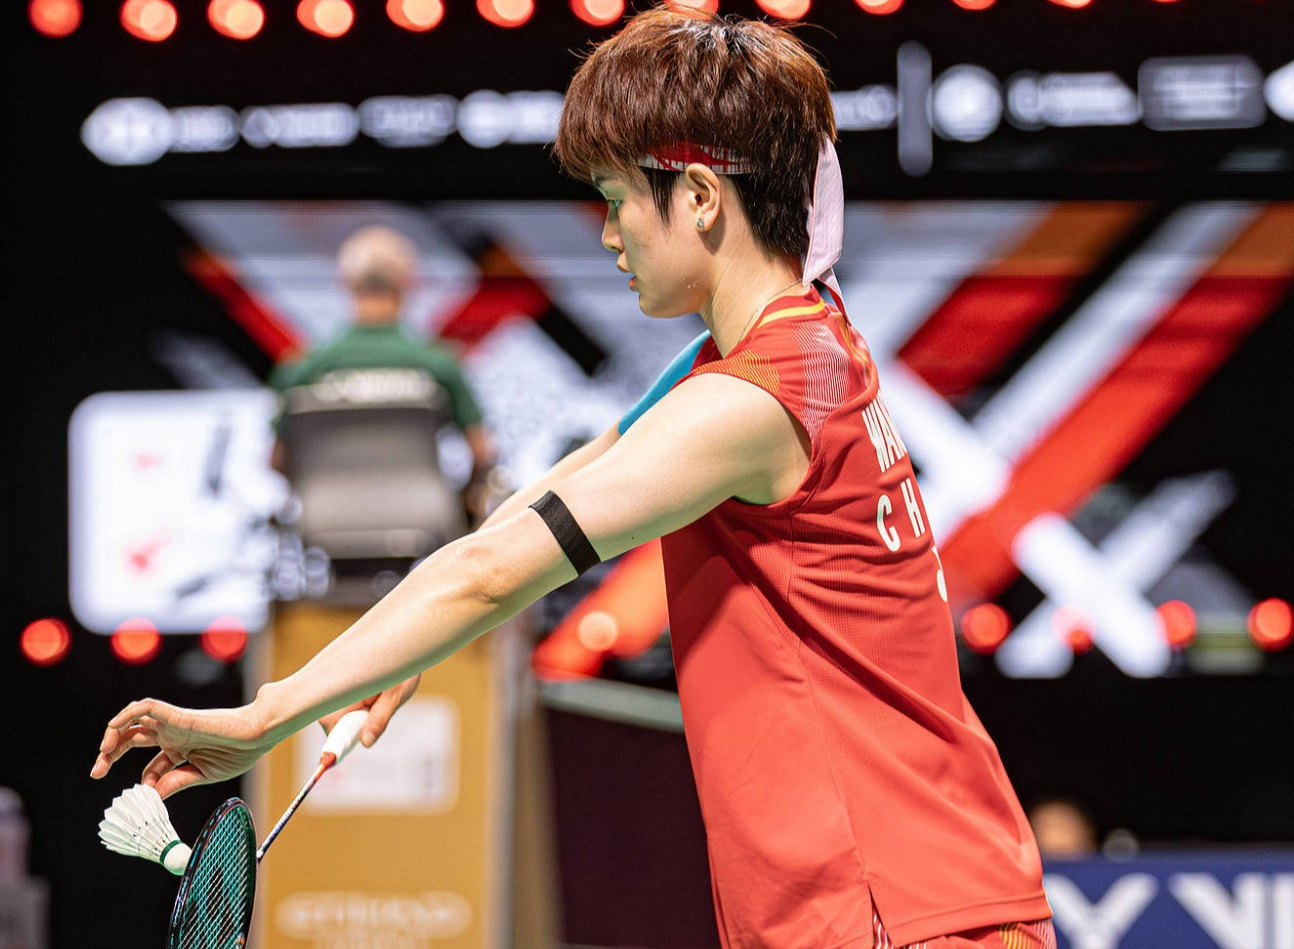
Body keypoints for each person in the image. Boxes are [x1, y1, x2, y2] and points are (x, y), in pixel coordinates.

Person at [92, 10, 1052, 948]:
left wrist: (266, 716)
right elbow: (539, 506)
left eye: (616, 197)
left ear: (701, 197)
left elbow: (492, 572)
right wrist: (407, 647)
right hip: (901, 893)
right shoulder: (791, 344)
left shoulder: (751, 403)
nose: (607, 234)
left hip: (895, 902)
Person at [269, 224, 493, 518]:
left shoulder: (303, 370)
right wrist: (462, 502)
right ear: (408, 282)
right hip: (422, 517)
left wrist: (316, 492)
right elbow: (482, 451)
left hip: (330, 520)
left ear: (347, 282)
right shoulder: (439, 365)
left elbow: (276, 460)